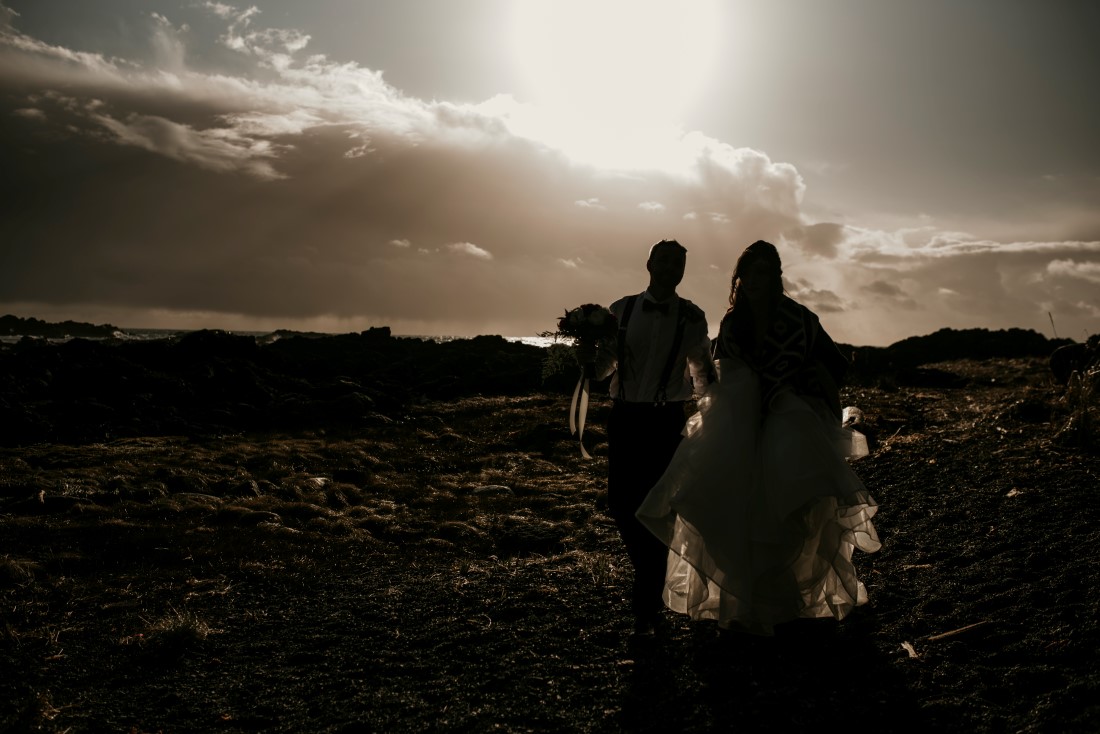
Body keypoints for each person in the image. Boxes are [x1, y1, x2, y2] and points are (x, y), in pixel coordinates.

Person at [636, 240, 881, 635]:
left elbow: (834, 365)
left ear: (776, 277)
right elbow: (718, 373)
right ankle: (743, 601)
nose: (754, 281)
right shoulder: (734, 321)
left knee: (788, 510)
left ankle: (785, 602)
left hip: (788, 423)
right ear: (740, 278)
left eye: (763, 273)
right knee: (735, 511)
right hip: (738, 425)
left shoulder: (800, 318)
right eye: (747, 273)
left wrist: (800, 385)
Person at [585, 239, 715, 635]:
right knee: (621, 505)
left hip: (665, 422)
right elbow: (604, 367)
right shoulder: (620, 310)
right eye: (664, 260)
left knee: (658, 507)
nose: (670, 267)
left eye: (678, 263)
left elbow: (702, 372)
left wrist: (726, 403)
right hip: (624, 418)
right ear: (649, 264)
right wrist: (587, 359)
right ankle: (650, 576)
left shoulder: (693, 317)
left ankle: (646, 598)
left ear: (682, 271)